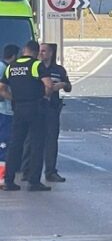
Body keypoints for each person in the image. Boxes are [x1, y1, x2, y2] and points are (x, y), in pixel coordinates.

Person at [0, 41, 53, 191]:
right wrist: (45, 96)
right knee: (37, 144)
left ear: (24, 51)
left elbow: (1, 89)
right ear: (36, 52)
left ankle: (9, 180)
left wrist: (13, 98)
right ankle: (34, 181)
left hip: (18, 108)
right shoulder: (36, 65)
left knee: (15, 144)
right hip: (35, 108)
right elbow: (48, 85)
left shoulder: (11, 66)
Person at [38, 43, 71, 183]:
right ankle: (28, 171)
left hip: (52, 108)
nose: (41, 53)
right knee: (32, 141)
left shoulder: (58, 70)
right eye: (40, 51)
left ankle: (50, 171)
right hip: (37, 108)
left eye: (44, 51)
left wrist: (62, 85)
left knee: (51, 141)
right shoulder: (35, 67)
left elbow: (69, 86)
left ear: (51, 53)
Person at [0, 44, 19, 165]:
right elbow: (2, 90)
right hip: (5, 111)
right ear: (13, 56)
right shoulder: (4, 68)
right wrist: (15, 100)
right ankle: (3, 173)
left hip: (4, 110)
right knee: (4, 141)